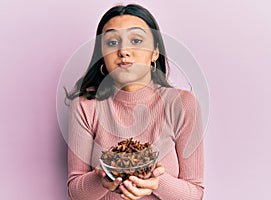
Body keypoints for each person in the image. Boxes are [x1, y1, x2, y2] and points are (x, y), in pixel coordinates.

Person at [66, 4, 204, 200]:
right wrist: (103, 179)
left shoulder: (182, 104)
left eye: (136, 40)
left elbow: (195, 193)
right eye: (112, 43)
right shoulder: (85, 105)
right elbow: (75, 191)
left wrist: (155, 179)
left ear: (155, 52)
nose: (124, 51)